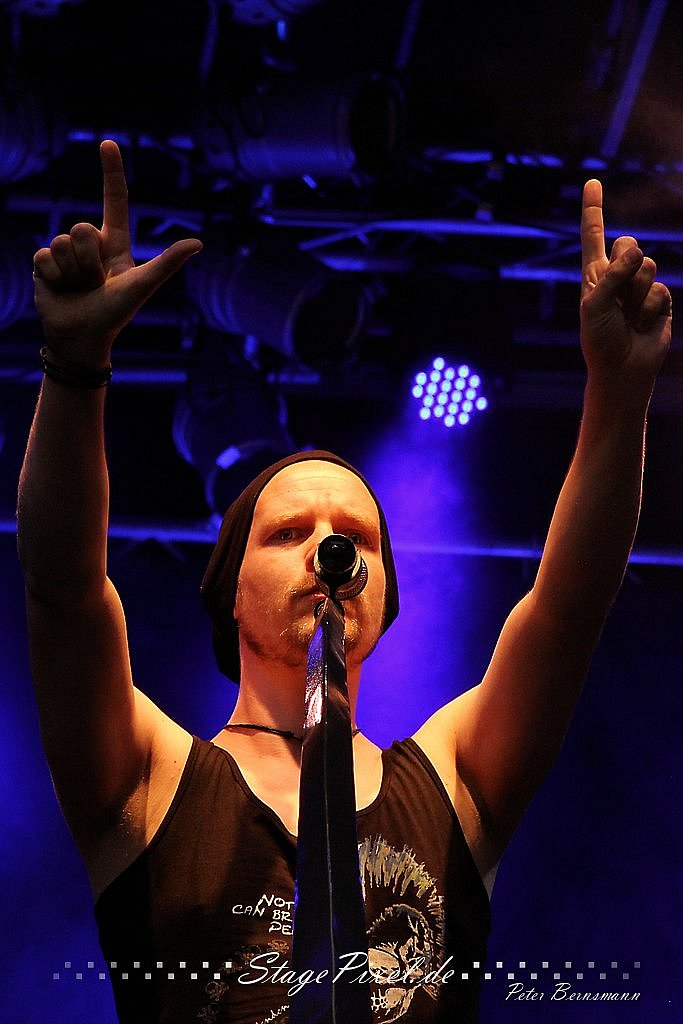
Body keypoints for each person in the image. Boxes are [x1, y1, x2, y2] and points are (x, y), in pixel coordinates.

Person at [16, 139, 671, 1024]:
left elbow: (567, 607)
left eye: (354, 536)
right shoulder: (150, 776)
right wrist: (74, 364)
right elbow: (63, 590)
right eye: (289, 533)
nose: (329, 549)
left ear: (386, 598)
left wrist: (620, 397)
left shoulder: (450, 779)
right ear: (230, 589)